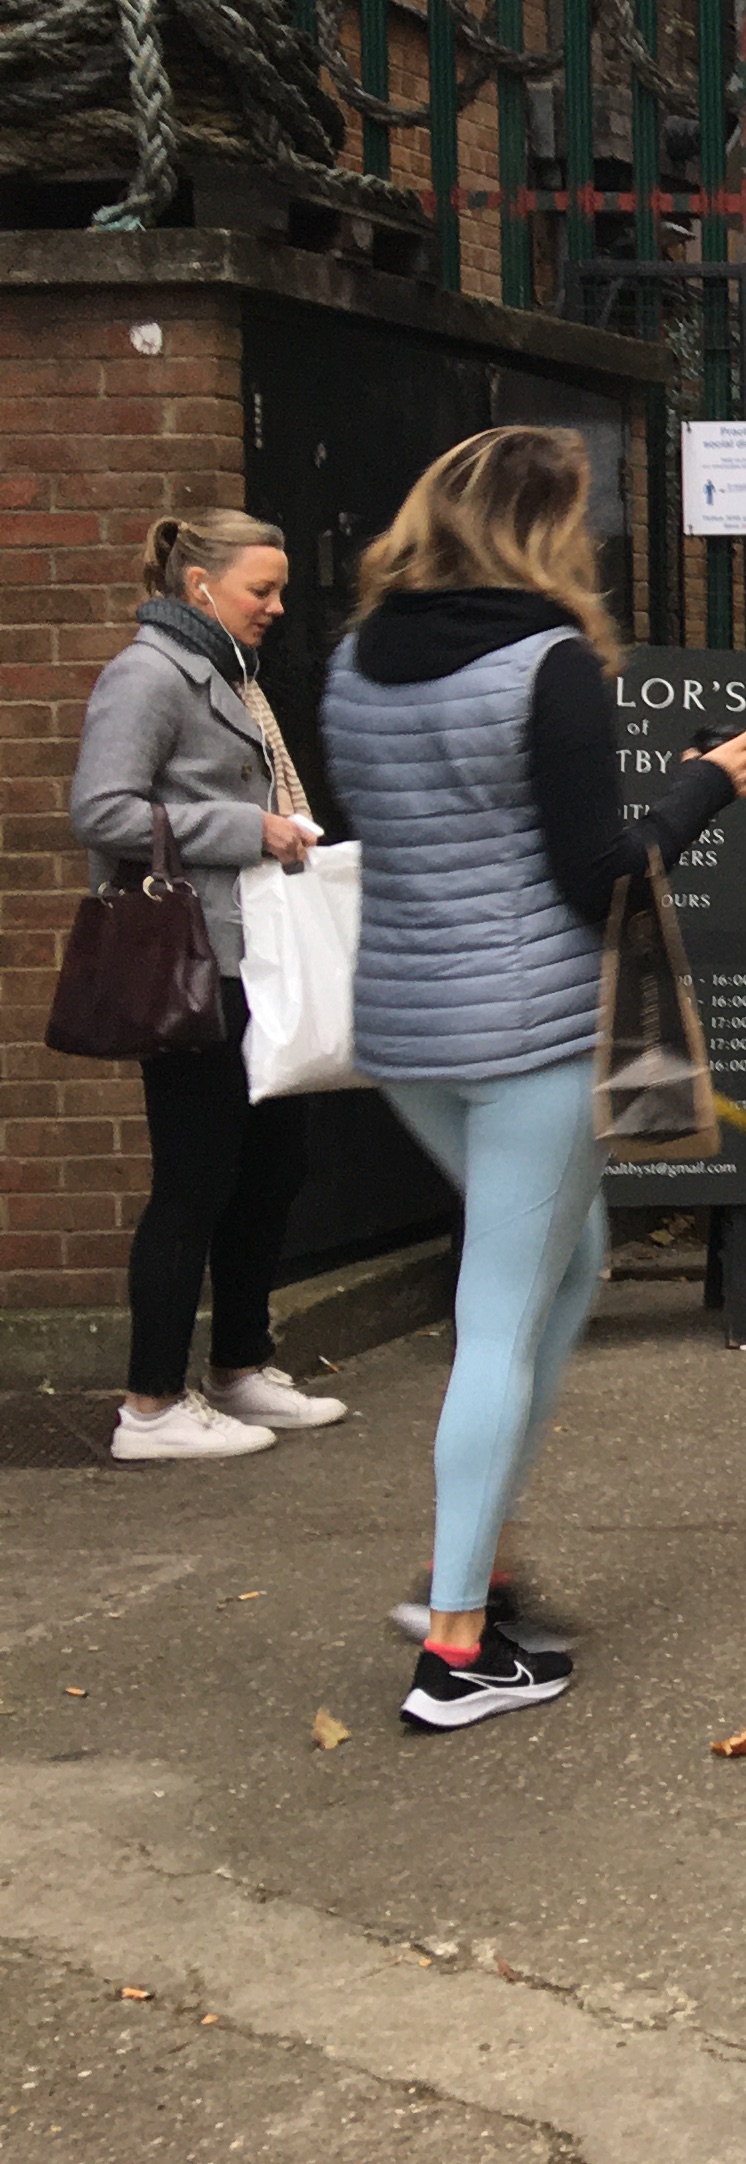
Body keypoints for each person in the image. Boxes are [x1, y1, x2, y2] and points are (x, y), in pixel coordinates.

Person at [319, 428, 746, 1734]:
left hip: (407, 1030)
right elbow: (600, 872)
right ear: (540, 529)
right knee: (505, 1307)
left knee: (565, 1263)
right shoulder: (549, 667)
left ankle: (484, 1558)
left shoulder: (350, 660)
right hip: (530, 1036)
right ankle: (457, 1645)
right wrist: (700, 790)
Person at [67, 509, 342, 1461]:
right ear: (200, 587)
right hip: (193, 963)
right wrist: (246, 828)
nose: (274, 607)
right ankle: (149, 1405)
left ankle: (238, 1367)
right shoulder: (149, 673)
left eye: (277, 590)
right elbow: (100, 808)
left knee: (273, 1167)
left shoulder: (229, 674)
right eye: (259, 590)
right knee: (195, 1179)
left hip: (252, 955)